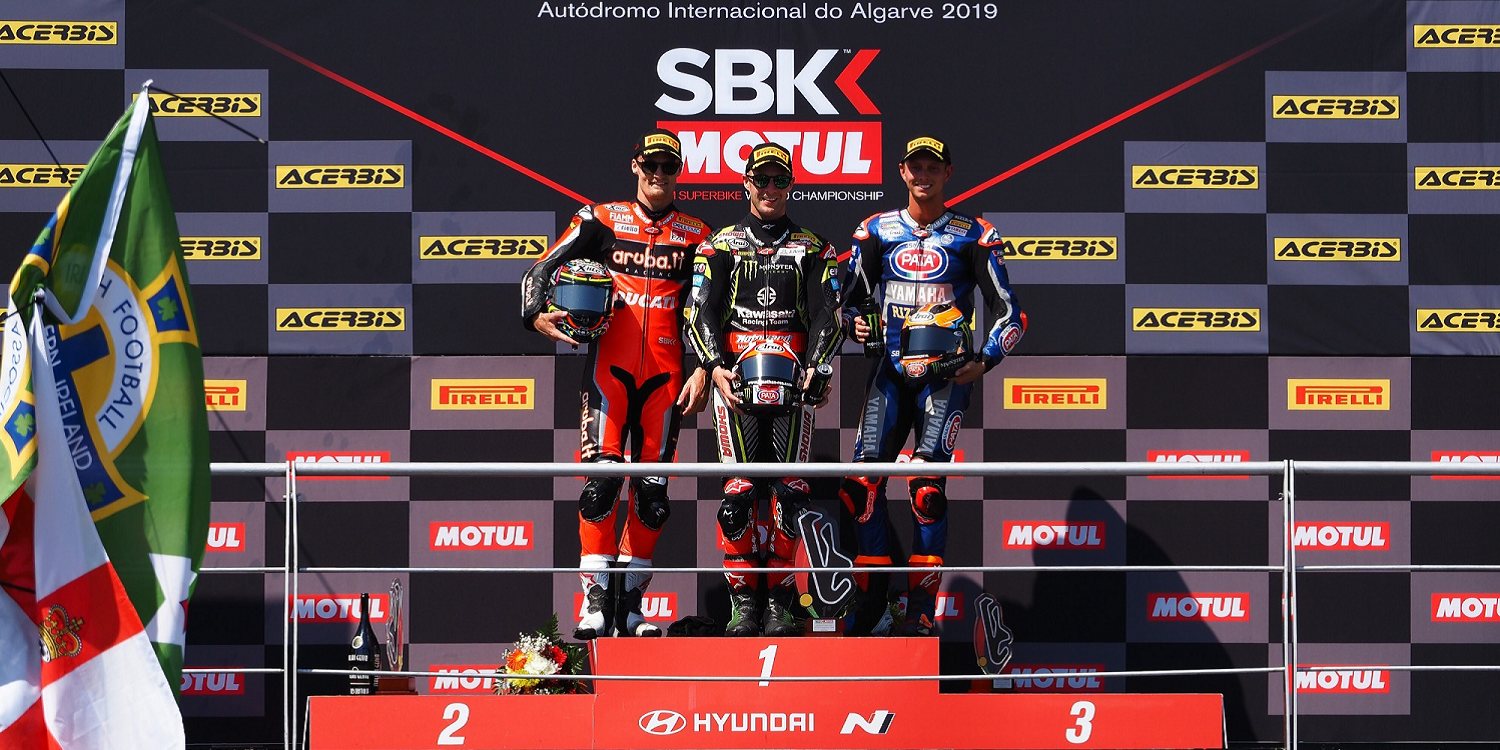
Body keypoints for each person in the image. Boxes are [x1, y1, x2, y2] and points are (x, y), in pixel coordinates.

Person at [521, 129, 712, 638]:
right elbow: (541, 268)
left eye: (668, 166)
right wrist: (535, 314)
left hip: (667, 380)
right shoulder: (601, 218)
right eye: (651, 164)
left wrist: (703, 367)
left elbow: (709, 308)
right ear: (635, 165)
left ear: (679, 172)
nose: (658, 174)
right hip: (610, 372)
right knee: (601, 486)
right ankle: (595, 600)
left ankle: (630, 607)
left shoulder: (697, 233)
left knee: (652, 497)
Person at [839, 135, 1026, 636]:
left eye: (932, 167)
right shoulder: (875, 230)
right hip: (889, 373)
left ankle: (919, 611)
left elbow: (1011, 312)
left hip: (944, 379)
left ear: (948, 173)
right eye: (915, 167)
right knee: (861, 489)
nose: (923, 175)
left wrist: (985, 360)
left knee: (926, 493)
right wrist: (855, 323)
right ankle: (873, 604)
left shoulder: (975, 234)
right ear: (902, 171)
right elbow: (846, 300)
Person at [683, 143, 845, 636]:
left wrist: (818, 367)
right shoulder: (719, 245)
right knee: (737, 497)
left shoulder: (814, 247)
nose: (770, 188)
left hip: (794, 384)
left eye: (780, 179)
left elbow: (829, 314)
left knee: (790, 496)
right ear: (746, 183)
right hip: (735, 382)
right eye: (762, 179)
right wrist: (713, 365)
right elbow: (699, 309)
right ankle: (742, 604)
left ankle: (778, 601)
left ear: (791, 185)